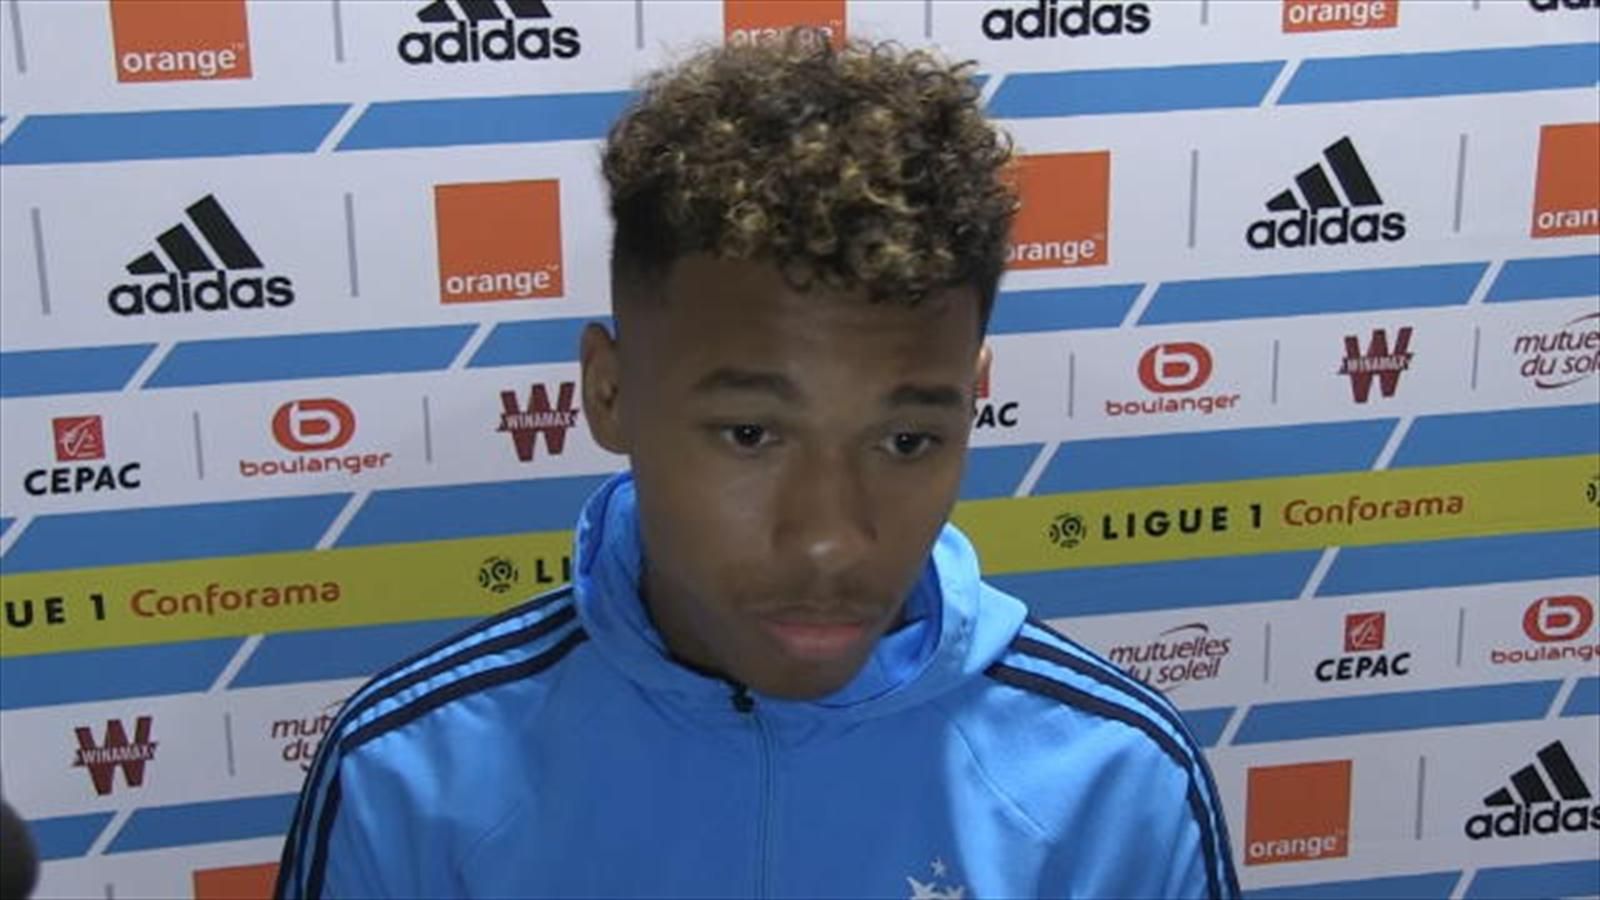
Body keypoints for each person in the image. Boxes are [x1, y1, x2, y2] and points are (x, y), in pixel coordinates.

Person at [276, 31, 1238, 899]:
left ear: (972, 396)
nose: (829, 541)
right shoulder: (408, 777)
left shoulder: (1117, 781)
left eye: (905, 441)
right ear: (609, 393)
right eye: (750, 435)